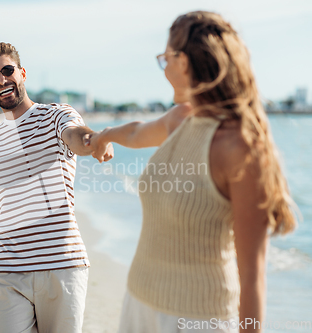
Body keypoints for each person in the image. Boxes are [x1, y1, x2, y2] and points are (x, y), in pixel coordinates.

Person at [86, 11, 297, 333]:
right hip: (138, 302)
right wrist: (104, 135)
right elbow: (136, 133)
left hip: (199, 320)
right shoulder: (181, 119)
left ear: (183, 62)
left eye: (165, 59)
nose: (164, 68)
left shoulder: (240, 149)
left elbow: (253, 273)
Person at [0, 42, 113, 332]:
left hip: (62, 264)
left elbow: (75, 137)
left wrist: (94, 140)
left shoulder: (56, 116)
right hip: (6, 272)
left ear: (22, 73)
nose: (1, 80)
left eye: (7, 71)